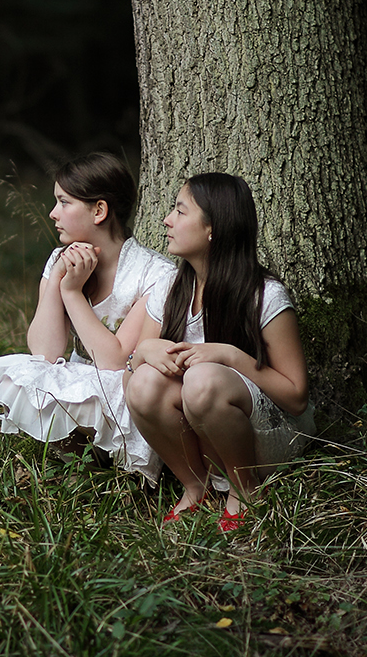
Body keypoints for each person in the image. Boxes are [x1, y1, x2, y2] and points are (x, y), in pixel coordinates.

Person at [124, 173, 314, 531]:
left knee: (202, 379)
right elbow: (130, 377)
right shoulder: (171, 286)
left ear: (213, 228)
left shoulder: (264, 295)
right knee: (144, 383)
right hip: (205, 436)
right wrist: (145, 350)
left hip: (266, 437)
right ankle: (197, 487)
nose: (167, 219)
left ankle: (245, 491)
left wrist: (231, 356)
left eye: (180, 212)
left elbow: (297, 397)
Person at [0, 153, 175, 481]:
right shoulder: (61, 259)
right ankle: (83, 467)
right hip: (81, 379)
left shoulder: (155, 274)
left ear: (99, 210)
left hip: (126, 387)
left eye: (64, 202)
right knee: (20, 374)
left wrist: (72, 293)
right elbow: (44, 352)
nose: (53, 213)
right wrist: (58, 278)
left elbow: (114, 361)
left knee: (102, 385)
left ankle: (123, 472)